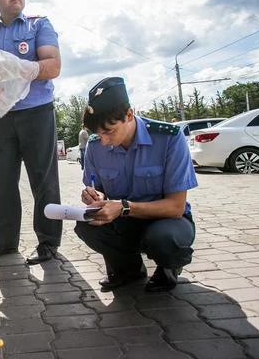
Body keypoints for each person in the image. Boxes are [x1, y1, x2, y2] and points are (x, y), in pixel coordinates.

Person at [0, 0, 63, 264]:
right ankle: (5, 242)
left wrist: (22, 68)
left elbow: (53, 66)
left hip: (36, 112)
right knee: (2, 182)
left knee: (44, 181)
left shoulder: (39, 25)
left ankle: (48, 242)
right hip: (1, 116)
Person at [75, 77, 198, 292]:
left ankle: (168, 268)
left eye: (109, 131)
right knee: (88, 225)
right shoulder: (95, 146)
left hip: (166, 220)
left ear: (129, 115)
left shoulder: (168, 138)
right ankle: (128, 269)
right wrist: (96, 197)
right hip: (123, 219)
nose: (103, 141)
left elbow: (176, 207)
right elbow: (99, 188)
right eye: (98, 134)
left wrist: (124, 206)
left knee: (166, 240)